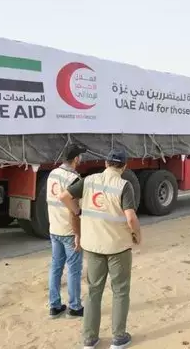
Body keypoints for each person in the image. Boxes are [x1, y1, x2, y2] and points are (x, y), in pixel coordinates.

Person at [60, 148, 141, 349]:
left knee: (94, 291)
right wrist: (137, 235)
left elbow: (64, 196)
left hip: (93, 246)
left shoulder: (88, 180)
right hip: (118, 247)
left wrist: (77, 211)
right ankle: (119, 337)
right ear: (124, 166)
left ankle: (89, 339)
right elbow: (130, 217)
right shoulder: (124, 185)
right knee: (120, 291)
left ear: (105, 164)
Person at [46, 143, 87, 319]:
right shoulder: (73, 179)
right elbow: (73, 211)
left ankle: (54, 306)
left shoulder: (52, 174)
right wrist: (78, 234)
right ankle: (75, 307)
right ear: (76, 158)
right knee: (74, 269)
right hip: (68, 230)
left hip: (54, 228)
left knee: (56, 267)